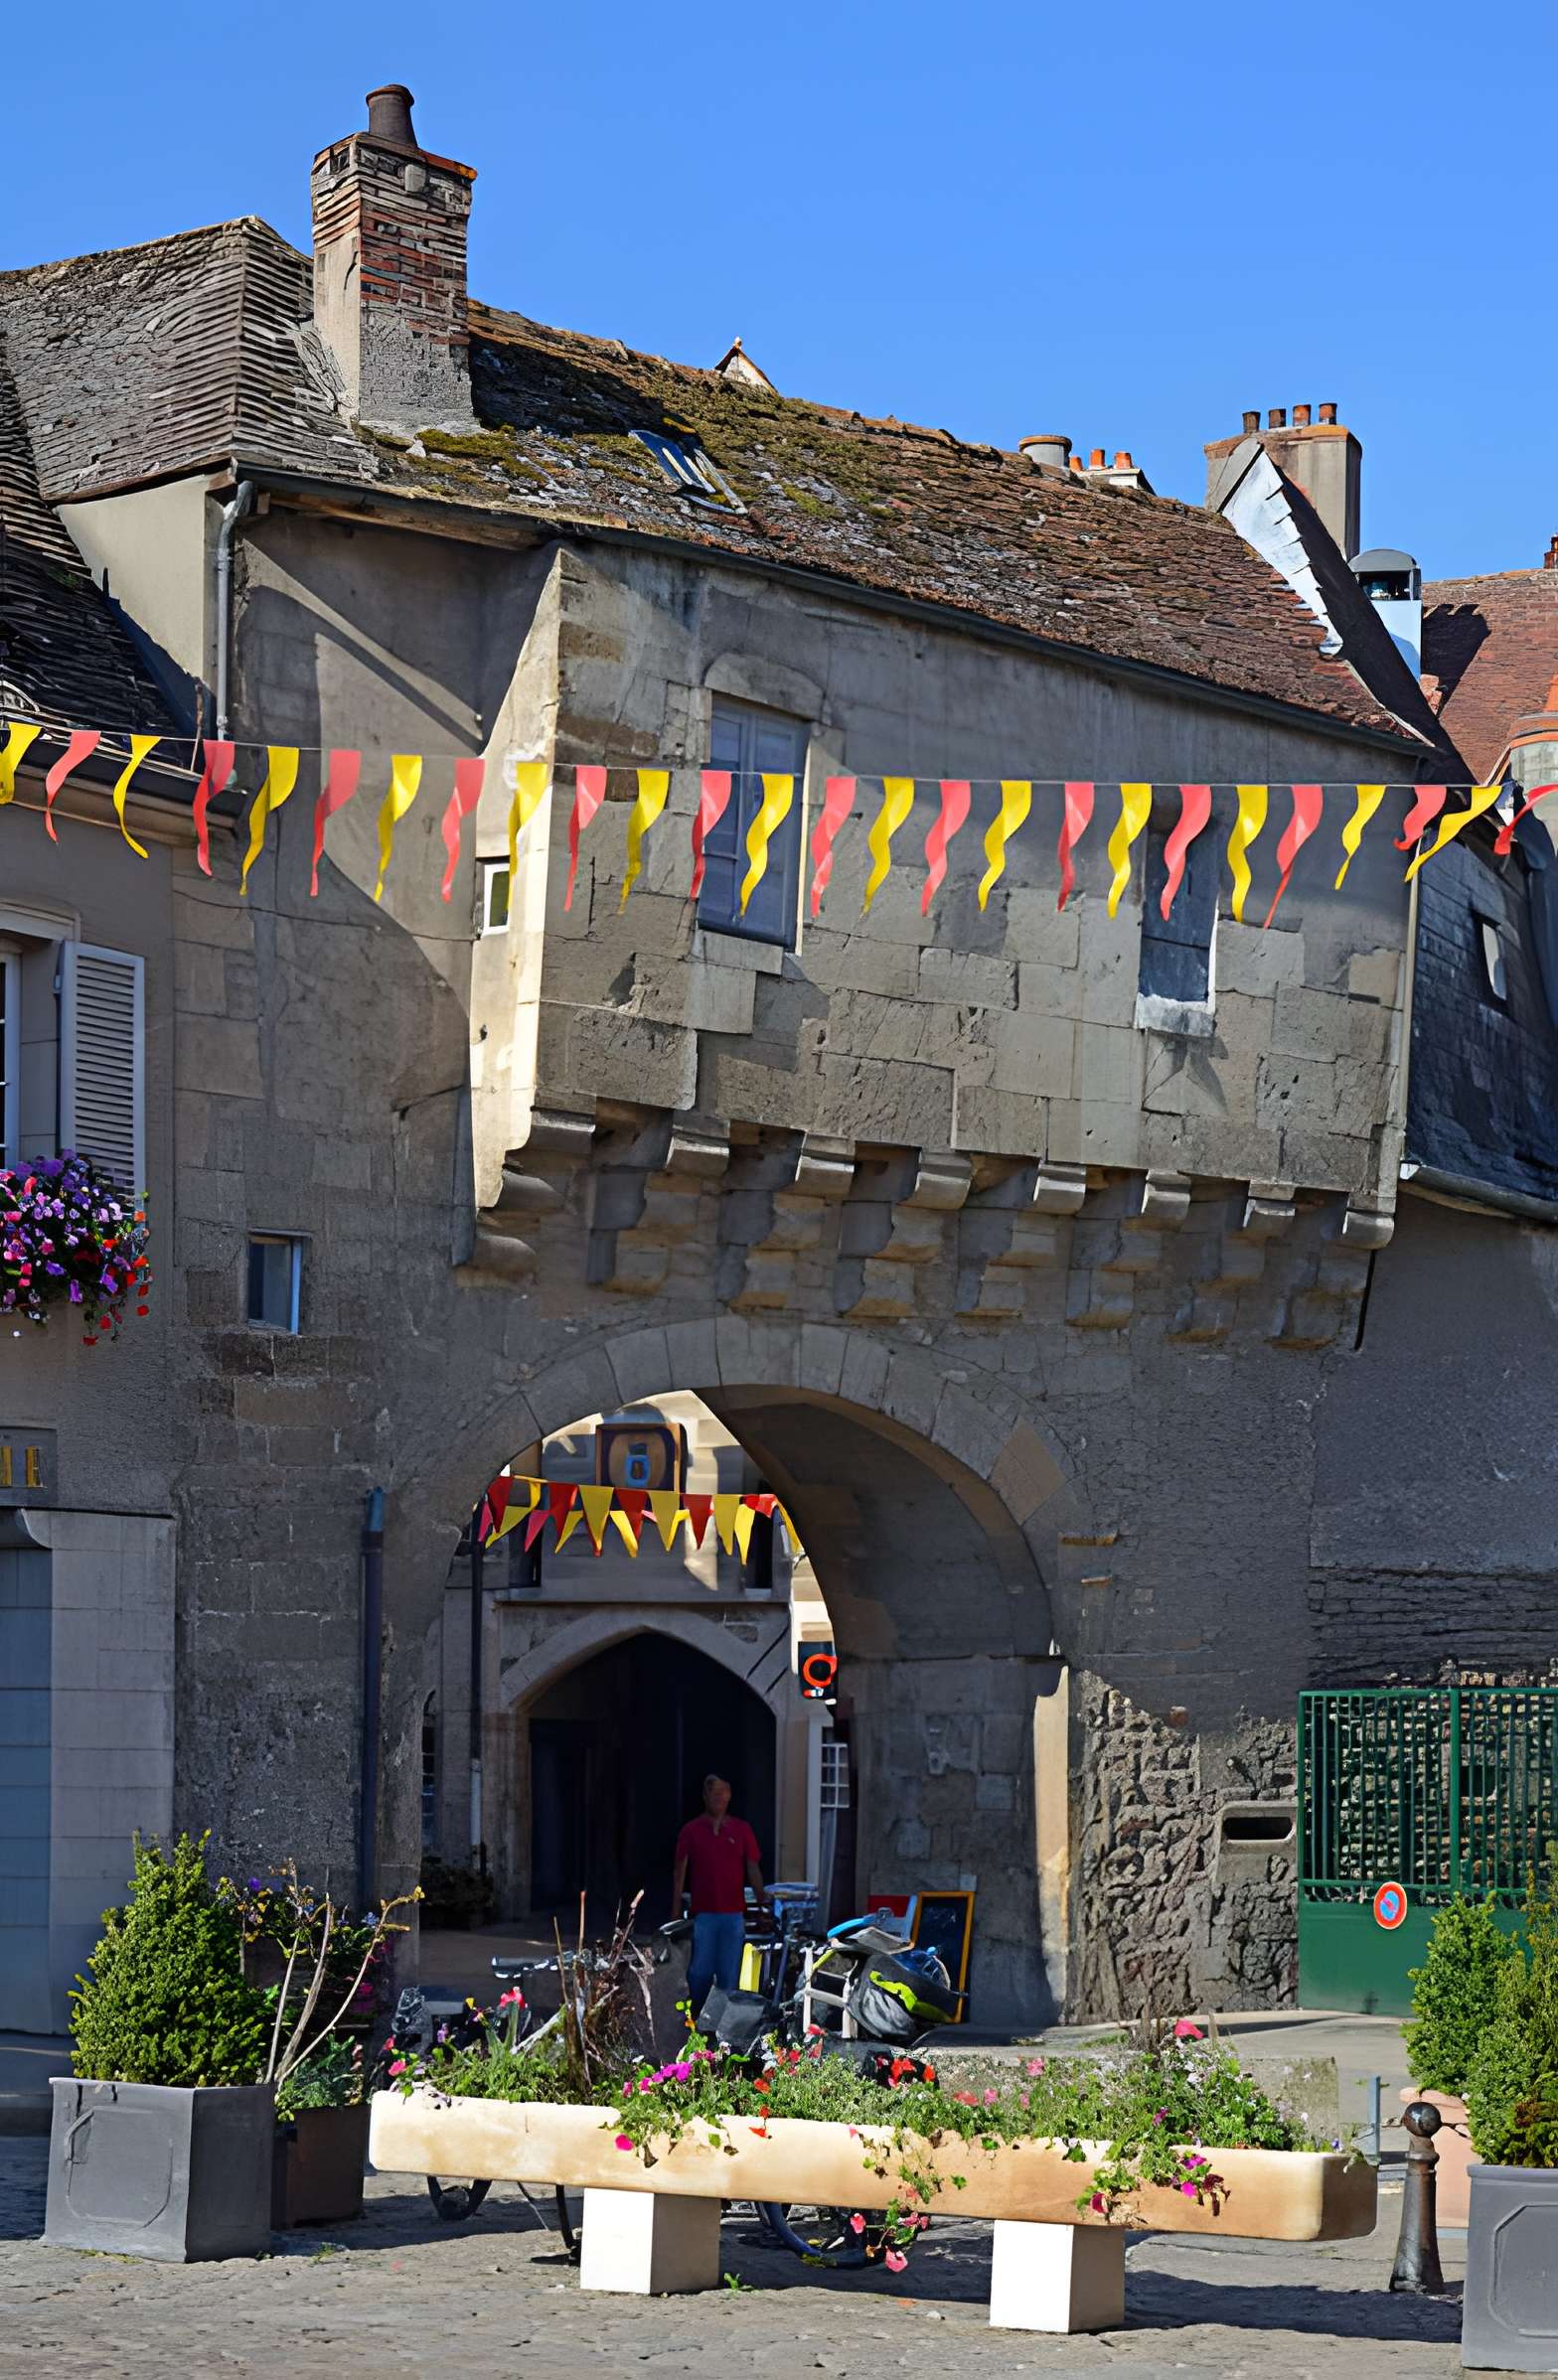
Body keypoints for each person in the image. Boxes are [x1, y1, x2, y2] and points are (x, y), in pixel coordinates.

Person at [672, 1774, 768, 2017]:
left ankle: (723, 2025)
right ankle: (695, 2018)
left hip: (733, 1914)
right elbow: (680, 1871)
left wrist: (762, 1900)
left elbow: (753, 1866)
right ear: (705, 1796)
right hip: (704, 1914)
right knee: (700, 1971)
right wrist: (675, 1910)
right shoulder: (691, 1830)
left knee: (728, 1974)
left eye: (723, 1793)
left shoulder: (742, 1829)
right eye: (714, 1793)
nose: (719, 1798)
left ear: (729, 1796)